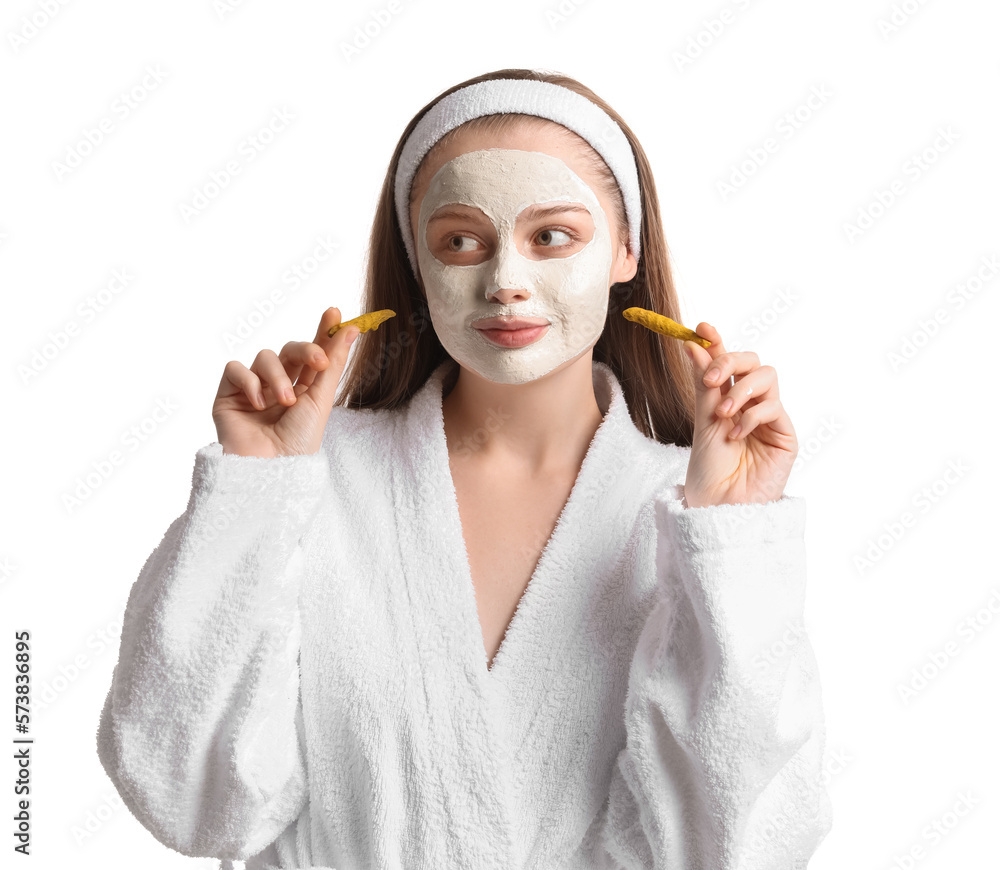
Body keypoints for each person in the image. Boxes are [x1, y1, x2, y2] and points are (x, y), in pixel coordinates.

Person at [96, 68, 833, 869]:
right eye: (460, 241)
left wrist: (732, 538)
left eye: (552, 235)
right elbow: (188, 800)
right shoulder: (309, 482)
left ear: (627, 251)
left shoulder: (686, 513)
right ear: (417, 264)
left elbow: (745, 846)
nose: (506, 282)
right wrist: (252, 493)